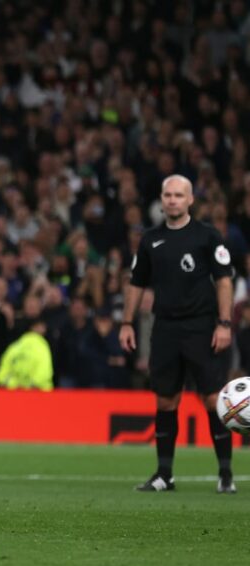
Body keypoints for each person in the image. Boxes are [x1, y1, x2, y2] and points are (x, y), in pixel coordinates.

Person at [121, 174, 236, 493]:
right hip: (166, 327)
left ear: (190, 200)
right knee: (166, 400)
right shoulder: (150, 239)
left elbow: (224, 280)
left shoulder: (207, 236)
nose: (172, 200)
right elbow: (136, 283)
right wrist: (127, 322)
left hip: (201, 326)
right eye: (167, 195)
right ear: (161, 198)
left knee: (213, 400)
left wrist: (224, 324)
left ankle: (225, 474)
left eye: (178, 195)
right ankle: (164, 474)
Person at [0, 318, 53, 390]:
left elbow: (2, 373)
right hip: (38, 393)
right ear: (32, 328)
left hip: (14, 393)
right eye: (40, 327)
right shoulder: (42, 346)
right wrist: (31, 386)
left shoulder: (15, 346)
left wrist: (13, 384)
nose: (43, 329)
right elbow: (45, 370)